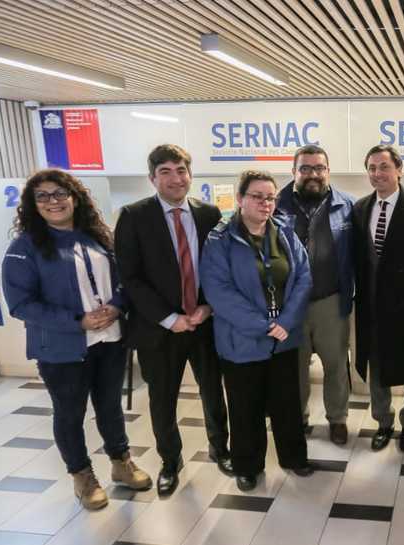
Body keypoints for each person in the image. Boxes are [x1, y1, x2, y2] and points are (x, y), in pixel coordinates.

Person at [3, 169, 152, 510]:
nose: (53, 201)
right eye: (43, 196)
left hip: (110, 340)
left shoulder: (99, 237)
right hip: (62, 348)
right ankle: (82, 476)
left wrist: (116, 306)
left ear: (75, 197)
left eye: (60, 193)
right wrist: (77, 321)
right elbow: (21, 304)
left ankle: (121, 462)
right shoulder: (24, 248)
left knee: (110, 407)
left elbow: (126, 281)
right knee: (70, 413)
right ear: (32, 204)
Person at [114, 144, 231, 496]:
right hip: (158, 329)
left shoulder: (209, 214)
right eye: (165, 171)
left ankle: (220, 449)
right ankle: (170, 461)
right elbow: (130, 277)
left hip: (204, 324)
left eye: (181, 170)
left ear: (190, 175)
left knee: (214, 392)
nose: (175, 178)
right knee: (163, 399)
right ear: (152, 178)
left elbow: (217, 268)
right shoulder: (133, 216)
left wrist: (207, 307)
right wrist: (169, 318)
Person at [201, 170, 315, 490]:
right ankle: (248, 466)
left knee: (286, 404)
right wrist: (264, 325)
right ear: (240, 199)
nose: (265, 203)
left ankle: (294, 457)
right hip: (242, 340)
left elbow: (304, 277)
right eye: (257, 196)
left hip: (283, 339)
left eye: (271, 197)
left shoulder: (284, 232)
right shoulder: (220, 239)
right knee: (244, 407)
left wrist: (286, 321)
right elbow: (218, 291)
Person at [351, 145, 404, 452]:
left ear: (399, 169)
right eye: (371, 168)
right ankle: (383, 423)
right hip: (372, 309)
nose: (377, 174)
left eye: (384, 167)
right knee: (377, 369)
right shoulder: (359, 210)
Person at [275, 144, 355, 445]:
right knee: (295, 367)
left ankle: (337, 419)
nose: (313, 174)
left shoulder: (348, 205)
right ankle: (299, 418)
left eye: (319, 168)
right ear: (294, 172)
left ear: (328, 171)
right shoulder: (276, 204)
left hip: (331, 301)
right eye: (305, 168)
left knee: (336, 365)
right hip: (289, 304)